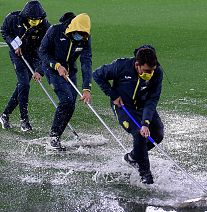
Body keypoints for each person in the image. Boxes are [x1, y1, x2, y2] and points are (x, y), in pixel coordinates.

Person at [93, 45, 164, 184]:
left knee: (158, 134)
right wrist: (113, 94)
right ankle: (146, 176)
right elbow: (97, 74)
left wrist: (146, 123)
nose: (149, 74)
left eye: (152, 70)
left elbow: (153, 99)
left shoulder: (157, 72)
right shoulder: (121, 66)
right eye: (146, 71)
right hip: (124, 107)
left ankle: (132, 157)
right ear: (137, 65)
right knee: (139, 134)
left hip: (144, 106)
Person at [39, 12, 92, 151]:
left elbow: (86, 62)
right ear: (72, 27)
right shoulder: (55, 30)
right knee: (66, 100)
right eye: (78, 33)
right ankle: (53, 137)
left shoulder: (85, 38)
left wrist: (87, 88)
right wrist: (56, 65)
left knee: (71, 105)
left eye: (83, 34)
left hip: (70, 71)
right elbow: (42, 52)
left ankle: (57, 136)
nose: (80, 36)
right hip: (52, 69)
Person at [0, 0, 50, 131]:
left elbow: (46, 51)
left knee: (22, 87)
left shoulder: (45, 26)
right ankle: (24, 120)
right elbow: (4, 31)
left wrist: (39, 71)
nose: (35, 23)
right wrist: (13, 44)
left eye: (37, 20)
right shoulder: (13, 18)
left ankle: (5, 115)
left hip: (34, 55)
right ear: (25, 16)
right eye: (32, 20)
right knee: (24, 84)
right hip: (18, 55)